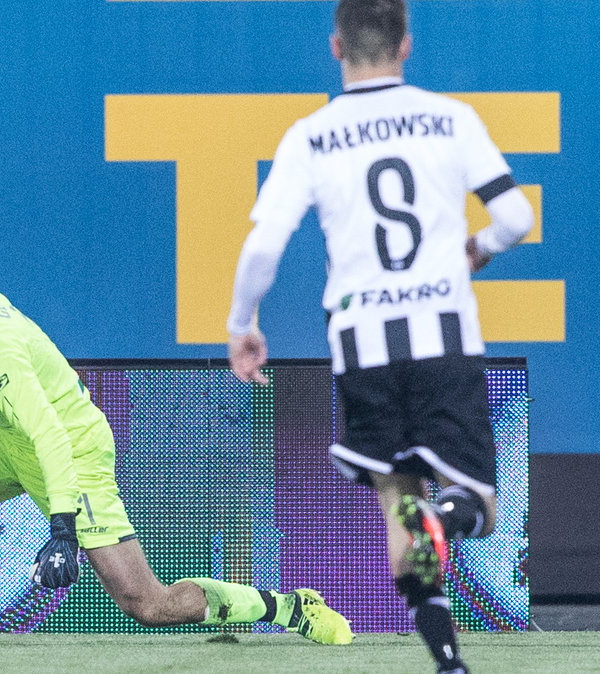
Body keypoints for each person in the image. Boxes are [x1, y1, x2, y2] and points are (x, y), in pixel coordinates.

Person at [225, 2, 534, 672]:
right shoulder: (450, 118)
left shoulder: (312, 134)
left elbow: (263, 245)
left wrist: (242, 325)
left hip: (362, 344)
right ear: (406, 45)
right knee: (473, 501)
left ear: (336, 46)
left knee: (401, 501)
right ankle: (447, 525)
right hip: (442, 336)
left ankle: (449, 663)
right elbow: (515, 216)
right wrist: (476, 246)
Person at [0, 244, 354, 645]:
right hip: (7, 435)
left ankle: (287, 607)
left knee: (149, 605)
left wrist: (63, 532)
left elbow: (51, 437)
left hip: (72, 451)